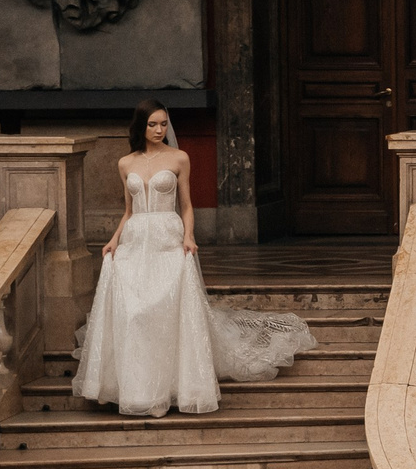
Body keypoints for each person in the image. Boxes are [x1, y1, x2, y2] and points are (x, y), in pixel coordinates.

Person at [72, 100, 315, 417]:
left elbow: (186, 205)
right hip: (135, 240)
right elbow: (129, 211)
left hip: (167, 238)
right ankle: (139, 390)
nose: (160, 130)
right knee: (134, 312)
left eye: (163, 123)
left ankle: (176, 386)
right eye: (153, 125)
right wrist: (113, 239)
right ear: (141, 127)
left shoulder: (179, 158)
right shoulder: (125, 163)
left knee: (168, 309)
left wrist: (188, 236)